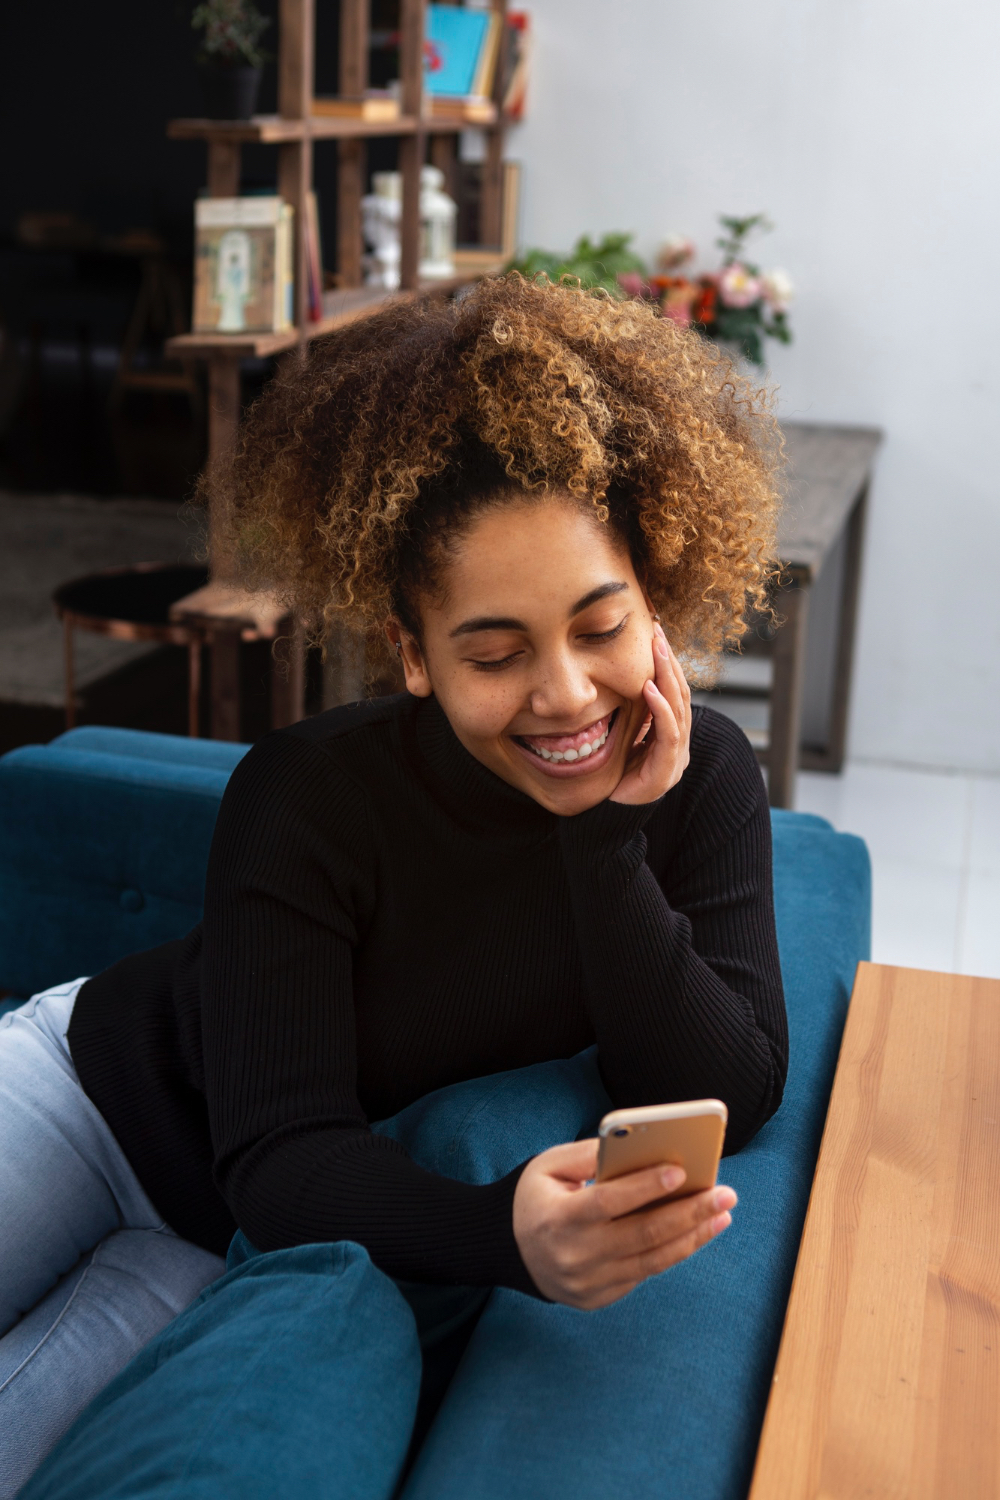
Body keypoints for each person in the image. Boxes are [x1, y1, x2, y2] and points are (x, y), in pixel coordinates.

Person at [0, 275, 787, 1495]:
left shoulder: (701, 779)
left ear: (657, 600)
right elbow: (277, 1138)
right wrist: (498, 1236)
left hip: (206, 1240)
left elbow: (730, 1083)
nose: (568, 693)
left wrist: (602, 837)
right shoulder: (310, 792)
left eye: (600, 625)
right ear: (413, 653)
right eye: (495, 650)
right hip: (89, 1089)